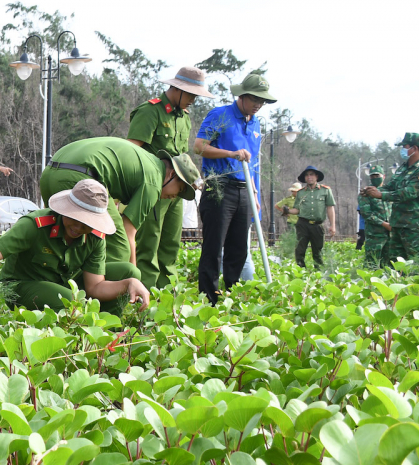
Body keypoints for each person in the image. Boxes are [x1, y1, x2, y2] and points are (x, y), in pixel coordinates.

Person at [0, 179, 150, 315]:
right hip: (22, 286)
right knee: (71, 300)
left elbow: (95, 287)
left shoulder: (95, 237)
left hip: (62, 285)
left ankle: (104, 335)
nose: (78, 228)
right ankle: (79, 325)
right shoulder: (35, 225)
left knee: (129, 272)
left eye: (87, 223)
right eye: (75, 219)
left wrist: (128, 283)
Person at [40, 137, 200, 269]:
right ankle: (104, 297)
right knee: (119, 246)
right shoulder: (154, 180)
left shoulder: (145, 161)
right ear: (171, 174)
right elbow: (128, 231)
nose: (174, 197)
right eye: (178, 190)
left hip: (49, 173)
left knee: (62, 235)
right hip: (78, 178)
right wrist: (133, 276)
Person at [127, 66, 214, 289]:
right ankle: (143, 295)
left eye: (197, 95)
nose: (193, 100)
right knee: (148, 244)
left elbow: (182, 156)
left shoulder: (184, 117)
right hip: (153, 189)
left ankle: (166, 298)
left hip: (177, 190)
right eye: (191, 94)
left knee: (170, 246)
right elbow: (131, 151)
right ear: (176, 89)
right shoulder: (150, 111)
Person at [193, 73, 273, 305]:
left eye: (262, 101)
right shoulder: (221, 114)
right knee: (214, 247)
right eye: (255, 99)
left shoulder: (256, 123)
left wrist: (255, 194)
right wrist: (231, 154)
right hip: (219, 187)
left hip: (245, 190)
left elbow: (254, 165)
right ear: (242, 95)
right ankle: (210, 300)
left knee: (239, 250)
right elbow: (199, 147)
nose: (259, 104)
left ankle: (233, 298)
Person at [363, 133, 419, 263]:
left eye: (405, 147)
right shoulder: (403, 168)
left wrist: (380, 195)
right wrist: (371, 190)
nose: (402, 150)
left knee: (418, 266)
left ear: (415, 148)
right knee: (396, 267)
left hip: (416, 227)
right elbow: (391, 186)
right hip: (397, 225)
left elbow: (409, 193)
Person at [286, 165, 336, 268]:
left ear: (316, 177)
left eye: (311, 175)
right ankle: (301, 271)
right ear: (305, 178)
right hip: (303, 224)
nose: (309, 177)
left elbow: (330, 208)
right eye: (307, 175)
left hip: (317, 225)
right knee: (300, 249)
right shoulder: (300, 193)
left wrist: (333, 225)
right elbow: (297, 210)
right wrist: (288, 211)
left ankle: (318, 273)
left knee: (318, 251)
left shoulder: (325, 190)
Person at [358, 164, 391, 268]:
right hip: (375, 236)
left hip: (391, 235)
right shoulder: (365, 194)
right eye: (372, 176)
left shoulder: (389, 192)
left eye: (377, 176)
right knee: (371, 265)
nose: (374, 178)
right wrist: (384, 224)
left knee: (388, 266)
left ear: (383, 176)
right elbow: (367, 214)